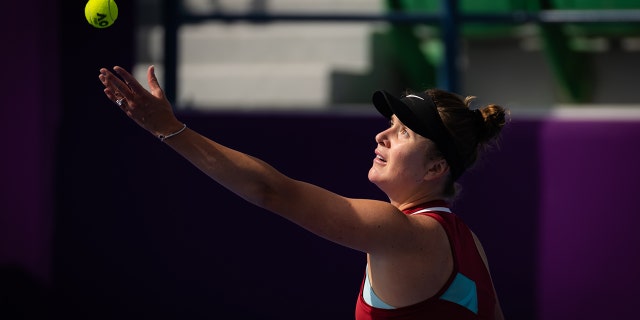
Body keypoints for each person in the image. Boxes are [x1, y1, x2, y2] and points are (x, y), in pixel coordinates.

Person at [98, 65, 507, 319]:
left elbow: (270, 191)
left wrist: (168, 129)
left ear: (436, 168)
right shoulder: (468, 244)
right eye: (390, 124)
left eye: (402, 132)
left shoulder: (401, 232)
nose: (381, 135)